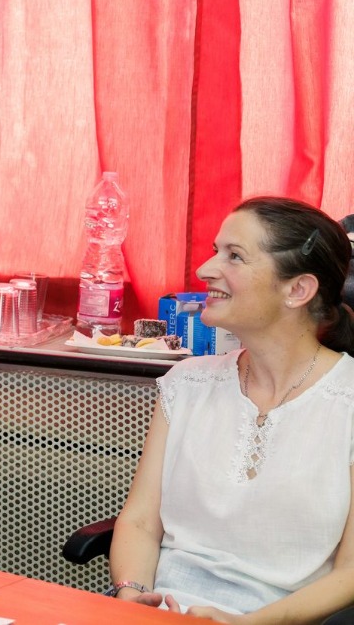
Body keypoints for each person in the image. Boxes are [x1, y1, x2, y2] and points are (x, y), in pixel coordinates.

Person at [109, 196, 354, 622]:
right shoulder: (187, 384)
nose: (205, 269)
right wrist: (133, 595)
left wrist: (247, 623)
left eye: (234, 256)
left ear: (298, 290)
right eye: (215, 250)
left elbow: (350, 573)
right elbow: (141, 522)